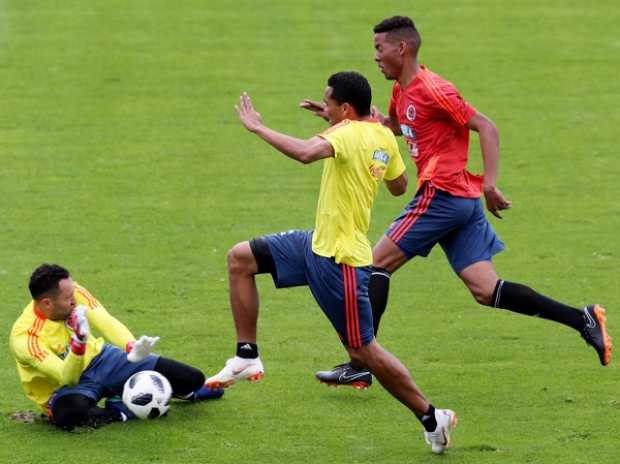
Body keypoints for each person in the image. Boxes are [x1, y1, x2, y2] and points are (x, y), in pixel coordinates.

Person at [302, 16, 612, 388]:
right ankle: (583, 319)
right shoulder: (402, 91)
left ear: (402, 48)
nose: (375, 56)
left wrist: (492, 184)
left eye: (379, 47)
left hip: (443, 193)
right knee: (486, 289)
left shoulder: (434, 89)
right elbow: (393, 128)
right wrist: (340, 117)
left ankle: (363, 361)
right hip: (459, 202)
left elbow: (486, 125)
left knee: (374, 263)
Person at [206, 72, 458, 454]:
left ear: (346, 108)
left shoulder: (345, 136)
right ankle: (246, 356)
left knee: (363, 352)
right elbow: (399, 185)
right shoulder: (381, 136)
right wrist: (342, 129)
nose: (323, 108)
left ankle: (430, 416)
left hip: (341, 262)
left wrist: (258, 128)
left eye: (329, 105)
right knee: (240, 259)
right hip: (315, 244)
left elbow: (306, 153)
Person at [9, 263, 224, 431]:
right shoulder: (26, 338)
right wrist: (78, 345)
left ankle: (180, 392)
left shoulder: (74, 292)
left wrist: (131, 346)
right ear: (47, 303)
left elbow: (105, 320)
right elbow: (67, 377)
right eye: (68, 299)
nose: (74, 300)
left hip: (102, 360)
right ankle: (121, 409)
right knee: (69, 414)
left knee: (193, 379)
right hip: (65, 388)